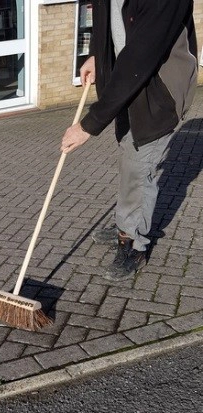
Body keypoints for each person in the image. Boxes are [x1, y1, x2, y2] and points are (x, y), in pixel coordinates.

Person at [61, 0, 198, 281]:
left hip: (158, 92)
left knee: (139, 167)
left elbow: (139, 57)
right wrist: (97, 57)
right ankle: (127, 220)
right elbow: (107, 26)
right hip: (125, 85)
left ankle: (134, 243)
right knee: (129, 155)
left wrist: (89, 125)